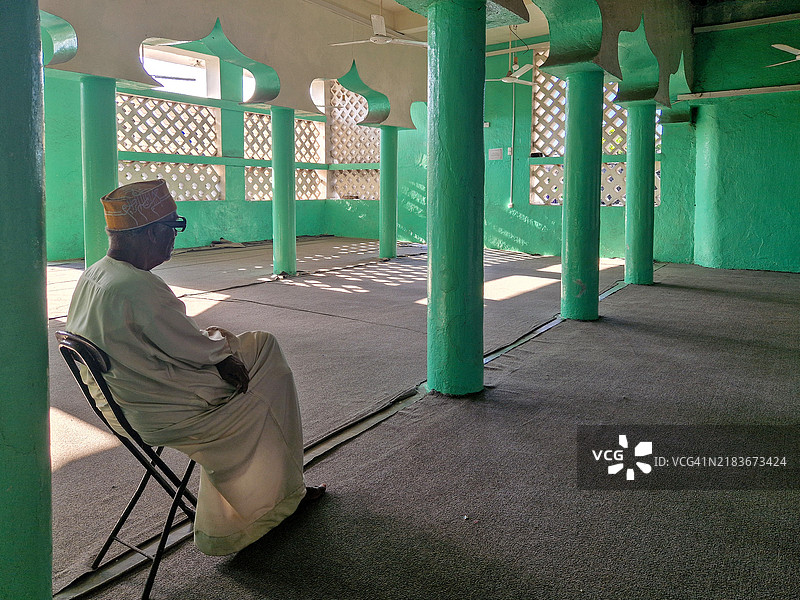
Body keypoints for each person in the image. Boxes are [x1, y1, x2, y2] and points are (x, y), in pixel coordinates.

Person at [66, 179, 325, 556]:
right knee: (267, 363)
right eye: (174, 226)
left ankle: (277, 489)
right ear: (151, 232)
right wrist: (223, 353)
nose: (176, 236)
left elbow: (176, 341)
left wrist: (216, 349)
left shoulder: (95, 274)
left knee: (257, 353)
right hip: (164, 411)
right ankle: (275, 500)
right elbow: (197, 348)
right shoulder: (138, 288)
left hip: (121, 405)